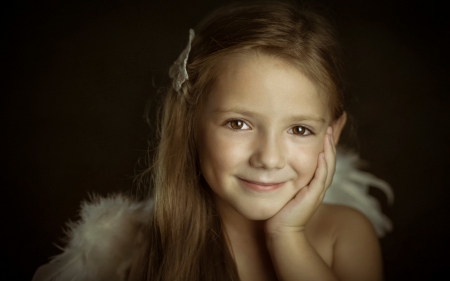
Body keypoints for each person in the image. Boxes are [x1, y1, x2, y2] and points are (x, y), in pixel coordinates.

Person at [33, 1, 393, 280]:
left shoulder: (346, 234)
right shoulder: (146, 246)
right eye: (238, 123)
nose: (269, 158)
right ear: (189, 122)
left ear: (334, 133)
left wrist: (287, 235)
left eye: (300, 130)